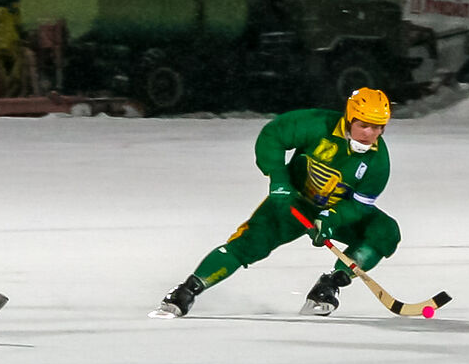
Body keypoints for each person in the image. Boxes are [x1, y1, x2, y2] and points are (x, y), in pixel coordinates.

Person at [154, 88, 399, 317]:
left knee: (385, 232)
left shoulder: (378, 162)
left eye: (378, 127)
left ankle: (329, 286)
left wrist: (331, 218)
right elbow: (272, 136)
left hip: (331, 212)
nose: (369, 134)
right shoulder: (317, 123)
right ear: (349, 119)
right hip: (290, 204)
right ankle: (186, 291)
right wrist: (280, 180)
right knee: (247, 245)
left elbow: (360, 205)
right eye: (363, 125)